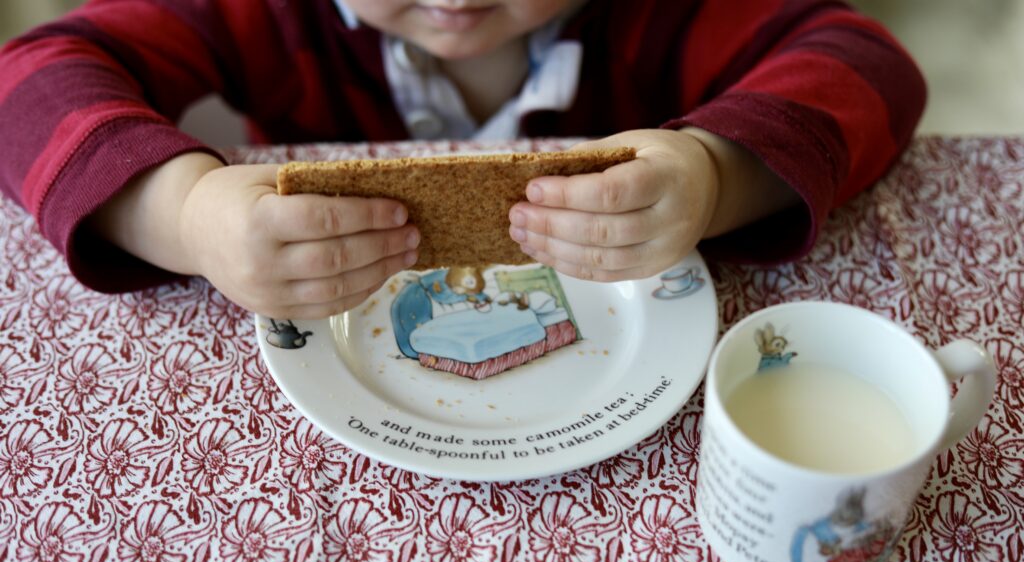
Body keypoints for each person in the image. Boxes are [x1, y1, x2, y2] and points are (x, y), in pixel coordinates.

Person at [0, 0, 926, 320]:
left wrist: (716, 172)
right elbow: (26, 80)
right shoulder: (267, 15)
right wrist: (187, 214)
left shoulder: (657, 16)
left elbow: (869, 66)